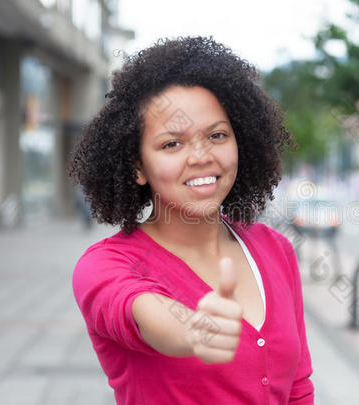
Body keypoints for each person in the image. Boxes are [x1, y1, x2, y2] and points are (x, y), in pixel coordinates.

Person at [67, 36, 314, 404]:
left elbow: (298, 388)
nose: (201, 156)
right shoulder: (104, 266)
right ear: (137, 166)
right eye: (172, 144)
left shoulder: (274, 249)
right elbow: (144, 313)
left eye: (217, 135)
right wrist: (192, 332)